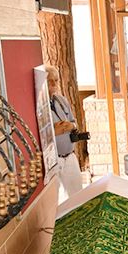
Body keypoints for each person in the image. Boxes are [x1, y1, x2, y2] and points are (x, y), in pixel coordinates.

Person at [46, 64, 83, 201]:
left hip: (70, 157)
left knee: (78, 196)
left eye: (56, 80)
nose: (53, 84)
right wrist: (54, 131)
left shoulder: (61, 100)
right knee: (59, 201)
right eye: (50, 80)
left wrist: (71, 126)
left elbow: (74, 122)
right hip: (54, 161)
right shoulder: (40, 106)